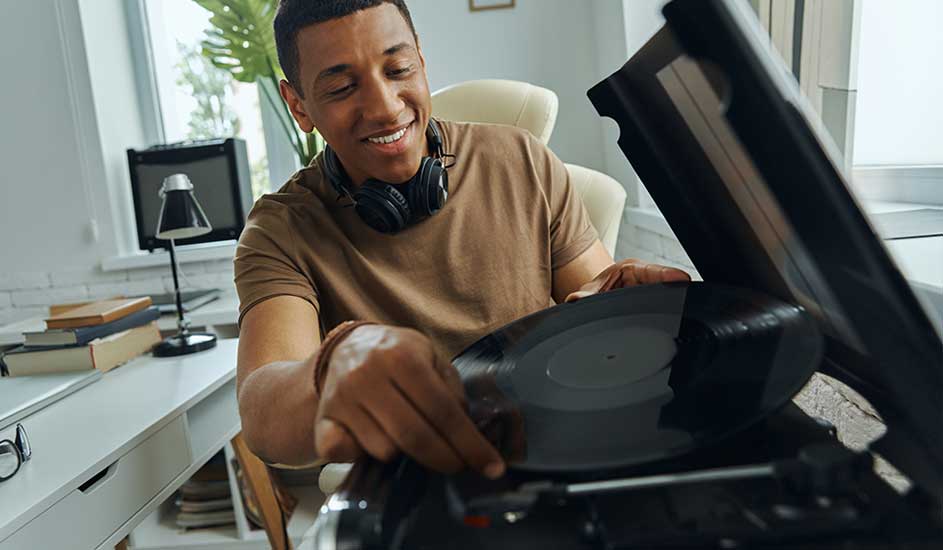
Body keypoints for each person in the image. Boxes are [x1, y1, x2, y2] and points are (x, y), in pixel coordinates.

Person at [234, 0, 690, 480]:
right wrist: (330, 371)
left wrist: (617, 312)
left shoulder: (522, 159)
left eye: (399, 68)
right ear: (299, 105)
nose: (386, 108)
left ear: (422, 62)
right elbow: (263, 416)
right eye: (344, 87)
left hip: (550, 463)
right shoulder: (279, 230)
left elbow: (594, 303)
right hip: (417, 491)